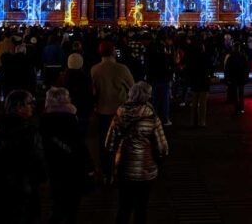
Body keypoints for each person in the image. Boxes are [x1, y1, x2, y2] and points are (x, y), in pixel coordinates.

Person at [0, 89, 48, 224]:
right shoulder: (29, 132)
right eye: (29, 103)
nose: (32, 107)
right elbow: (38, 160)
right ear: (19, 107)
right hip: (21, 190)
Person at [105, 81, 169, 224]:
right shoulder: (152, 118)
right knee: (141, 208)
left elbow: (109, 144)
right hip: (145, 168)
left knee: (124, 207)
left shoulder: (119, 115)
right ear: (147, 96)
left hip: (124, 166)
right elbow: (162, 147)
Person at [40, 86, 94, 224]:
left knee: (57, 198)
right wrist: (89, 166)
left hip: (53, 164)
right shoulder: (71, 118)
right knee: (73, 203)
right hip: (73, 165)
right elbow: (79, 145)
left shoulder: (45, 119)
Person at [91, 41, 134, 185]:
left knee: (105, 143)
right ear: (113, 52)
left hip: (102, 111)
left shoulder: (94, 69)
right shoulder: (122, 69)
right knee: (121, 142)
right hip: (119, 110)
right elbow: (132, 88)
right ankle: (121, 172)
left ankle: (106, 173)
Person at [56, 53, 93, 137]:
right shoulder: (85, 79)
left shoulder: (62, 78)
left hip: (64, 113)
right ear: (81, 64)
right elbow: (89, 96)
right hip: (82, 112)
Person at [183, 38, 211, 128]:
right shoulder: (204, 56)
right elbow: (208, 68)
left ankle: (193, 121)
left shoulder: (192, 57)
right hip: (203, 82)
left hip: (195, 82)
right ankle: (201, 122)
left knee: (194, 103)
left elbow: (189, 69)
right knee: (202, 104)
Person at [223, 44, 249, 116]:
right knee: (241, 93)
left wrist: (227, 78)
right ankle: (242, 108)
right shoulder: (242, 57)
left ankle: (236, 109)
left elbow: (227, 69)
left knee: (235, 94)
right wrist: (246, 77)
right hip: (241, 78)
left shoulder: (230, 57)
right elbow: (246, 68)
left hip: (233, 78)